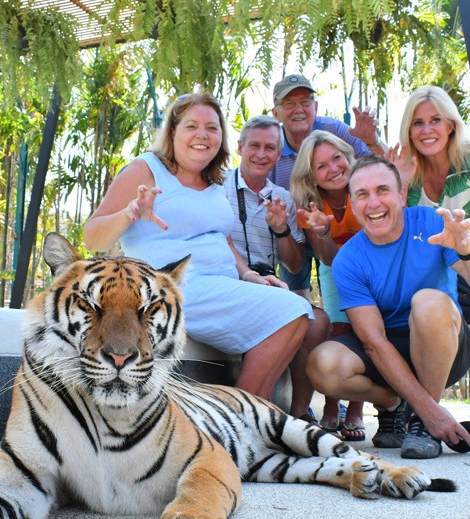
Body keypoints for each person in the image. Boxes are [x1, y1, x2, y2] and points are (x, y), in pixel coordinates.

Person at [83, 92, 313, 401]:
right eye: (192, 126)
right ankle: (235, 417)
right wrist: (130, 212)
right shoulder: (146, 168)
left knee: (294, 309)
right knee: (293, 310)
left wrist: (249, 276)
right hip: (172, 287)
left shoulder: (214, 180)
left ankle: (247, 415)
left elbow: (222, 238)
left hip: (219, 285)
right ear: (173, 132)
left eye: (212, 127)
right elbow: (93, 237)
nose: (202, 135)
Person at [306, 154, 470, 459]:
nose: (373, 203)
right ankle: (394, 403)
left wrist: (468, 248)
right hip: (388, 348)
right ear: (352, 203)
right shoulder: (348, 258)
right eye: (362, 194)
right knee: (322, 364)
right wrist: (431, 411)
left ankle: (421, 423)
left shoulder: (433, 224)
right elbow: (373, 342)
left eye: (382, 190)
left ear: (401, 195)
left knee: (427, 302)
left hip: (442, 342)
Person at [396, 85, 470, 452]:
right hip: (431, 251)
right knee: (425, 317)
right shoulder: (409, 169)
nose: (426, 129)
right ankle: (425, 412)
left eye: (435, 121)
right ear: (409, 129)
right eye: (418, 123)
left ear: (450, 125)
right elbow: (401, 222)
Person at [223, 115, 336, 429]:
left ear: (278, 153)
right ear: (240, 148)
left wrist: (282, 230)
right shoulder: (217, 188)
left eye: (270, 148)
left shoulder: (283, 198)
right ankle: (240, 417)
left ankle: (298, 415)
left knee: (320, 322)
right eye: (254, 146)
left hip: (268, 289)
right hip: (229, 285)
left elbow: (296, 265)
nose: (261, 154)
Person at [269, 73, 383, 302]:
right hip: (295, 223)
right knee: (296, 295)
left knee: (339, 282)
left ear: (316, 106)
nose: (298, 109)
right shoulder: (272, 144)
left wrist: (373, 141)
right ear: (276, 113)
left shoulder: (333, 131)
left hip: (337, 222)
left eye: (305, 102)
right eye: (289, 104)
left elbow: (377, 165)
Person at [289, 130, 366, 441]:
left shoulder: (364, 189)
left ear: (348, 158)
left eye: (337, 158)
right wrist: (323, 232)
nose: (333, 168)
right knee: (337, 330)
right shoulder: (311, 204)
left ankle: (358, 409)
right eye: (322, 166)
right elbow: (328, 259)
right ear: (313, 177)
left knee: (366, 331)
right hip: (334, 266)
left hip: (372, 266)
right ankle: (332, 406)